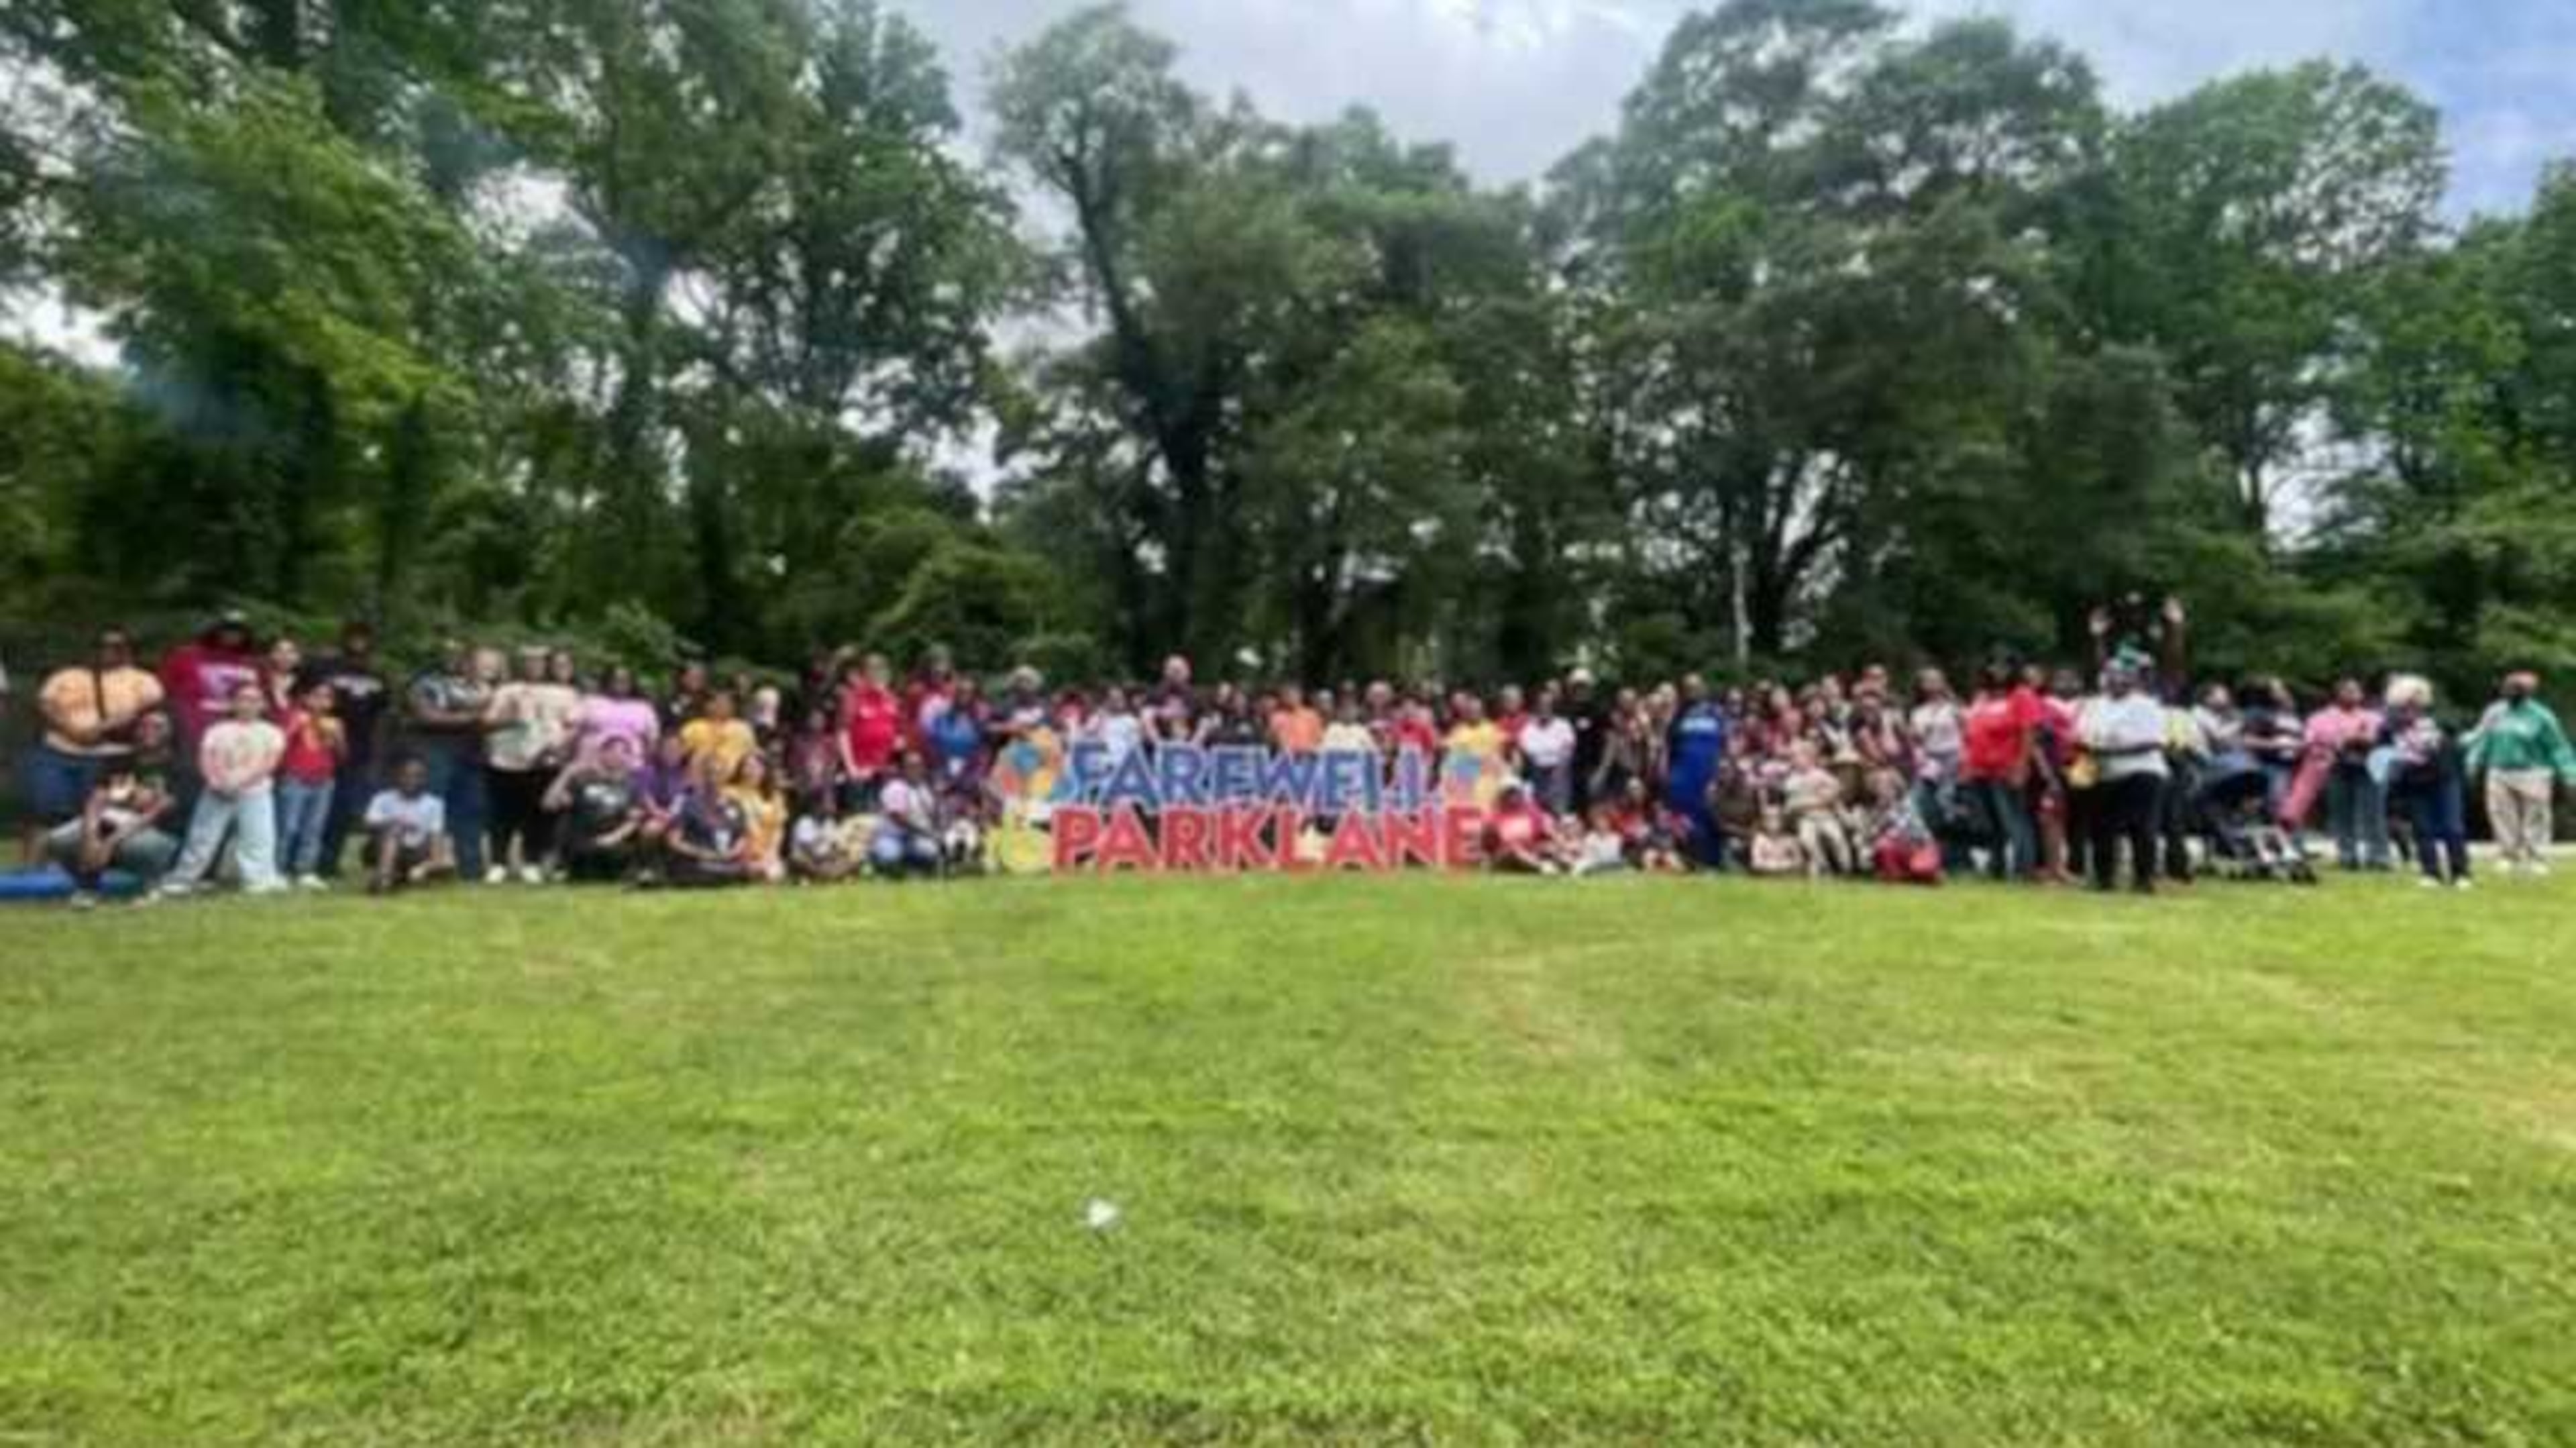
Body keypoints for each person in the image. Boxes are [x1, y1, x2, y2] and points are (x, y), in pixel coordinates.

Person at [26, 626, 164, 864]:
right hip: (58, 750)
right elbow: (46, 704)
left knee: (98, 814)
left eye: (116, 646)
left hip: (112, 755)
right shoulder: (66, 676)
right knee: (44, 809)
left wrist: (99, 730)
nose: (108, 651)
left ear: (127, 650)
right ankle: (32, 871)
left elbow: (142, 711)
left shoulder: (142, 679)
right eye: (102, 645)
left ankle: (87, 863)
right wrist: (72, 730)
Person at [160, 681, 288, 898]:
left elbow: (269, 763)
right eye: (243, 699)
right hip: (216, 791)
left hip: (255, 793)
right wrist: (215, 781)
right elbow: (206, 757)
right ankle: (184, 878)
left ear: (263, 704)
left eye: (254, 700)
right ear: (233, 703)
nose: (248, 705)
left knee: (258, 837)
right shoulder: (217, 730)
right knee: (202, 837)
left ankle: (258, 879)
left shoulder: (272, 732)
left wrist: (242, 784)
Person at [484, 648, 582, 884]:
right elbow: (488, 722)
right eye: (528, 663)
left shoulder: (565, 692)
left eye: (538, 663)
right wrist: (510, 715)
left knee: (537, 814)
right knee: (503, 814)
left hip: (545, 760)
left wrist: (555, 747)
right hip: (507, 760)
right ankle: (498, 863)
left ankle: (531, 862)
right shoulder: (507, 690)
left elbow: (573, 725)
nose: (534, 667)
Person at [306, 621, 393, 882]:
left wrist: (380, 749)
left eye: (364, 637)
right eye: (354, 636)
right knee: (319, 807)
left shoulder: (378, 674)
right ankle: (304, 861)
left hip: (361, 749)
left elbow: (384, 713)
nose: (359, 642)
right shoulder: (325, 668)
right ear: (344, 638)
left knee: (345, 809)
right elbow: (307, 699)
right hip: (324, 744)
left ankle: (329, 862)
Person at [2467, 670, 2576, 876]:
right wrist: (2473, 761)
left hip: (2533, 771)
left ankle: (2537, 857)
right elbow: (2482, 737)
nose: (2510, 693)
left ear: (2528, 693)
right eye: (2508, 688)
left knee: (2536, 816)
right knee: (2501, 814)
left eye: (2516, 690)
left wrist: (2570, 773)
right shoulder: (2495, 712)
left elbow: (2558, 746)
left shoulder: (2542, 716)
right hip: (2499, 770)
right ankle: (2508, 855)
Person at [405, 641, 496, 880]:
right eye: (447, 654)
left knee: (472, 810)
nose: (453, 659)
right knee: (432, 809)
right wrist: (472, 718)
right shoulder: (425, 683)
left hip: (471, 755)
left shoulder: (477, 687)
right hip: (437, 752)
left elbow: (491, 717)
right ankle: (423, 865)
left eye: (459, 655)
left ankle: (472, 869)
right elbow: (427, 716)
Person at [2078, 660, 2169, 895]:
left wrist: (2112, 750)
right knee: (2102, 827)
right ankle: (2104, 878)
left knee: (2142, 827)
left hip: (2142, 771)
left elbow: (2154, 741)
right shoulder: (2094, 705)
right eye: (2111, 675)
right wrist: (2089, 747)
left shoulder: (2147, 705)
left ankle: (2144, 879)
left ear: (2134, 679)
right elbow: (2083, 734)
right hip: (2104, 773)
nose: (2117, 680)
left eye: (2123, 676)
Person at [156, 609, 262, 804]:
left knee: (228, 787)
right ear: (216, 630)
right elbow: (163, 692)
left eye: (239, 631)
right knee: (188, 784)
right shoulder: (187, 655)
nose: (233, 635)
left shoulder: (253, 664)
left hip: (236, 738)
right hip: (191, 734)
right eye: (227, 630)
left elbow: (261, 701)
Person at [44, 757, 180, 908]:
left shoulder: (175, 766)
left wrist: (110, 843)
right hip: (109, 822)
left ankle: (152, 886)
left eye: (155, 731)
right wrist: (90, 838)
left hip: (151, 830)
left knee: (142, 847)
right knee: (60, 840)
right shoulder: (122, 759)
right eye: (144, 731)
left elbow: (154, 814)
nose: (148, 733)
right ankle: (87, 887)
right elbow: (95, 802)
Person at [2382, 675, 2471, 891]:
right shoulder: (2389, 728)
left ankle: (2460, 873)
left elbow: (2454, 746)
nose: (2411, 707)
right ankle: (2431, 872)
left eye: (2416, 701)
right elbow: (2383, 756)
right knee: (2423, 829)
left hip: (2445, 779)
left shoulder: (2440, 721)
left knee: (2453, 827)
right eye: (2406, 703)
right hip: (2414, 783)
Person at [1958, 662, 2045, 880]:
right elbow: (1971, 732)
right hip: (1979, 769)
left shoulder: (2022, 696)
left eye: (2004, 667)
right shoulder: (1983, 697)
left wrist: (2022, 765)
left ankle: (2023, 868)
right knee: (1989, 823)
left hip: (2007, 768)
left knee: (2014, 819)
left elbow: (2028, 733)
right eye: (1993, 667)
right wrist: (1967, 766)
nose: (1997, 672)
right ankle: (1996, 868)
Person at [2304, 677, 2390, 871]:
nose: (2354, 694)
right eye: (2348, 690)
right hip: (2337, 767)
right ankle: (2347, 855)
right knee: (2341, 813)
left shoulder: (2374, 717)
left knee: (2373, 813)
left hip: (2371, 768)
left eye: (2356, 690)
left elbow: (2386, 742)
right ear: (2337, 694)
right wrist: (2341, 741)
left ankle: (2379, 856)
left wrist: (2367, 741)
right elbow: (2310, 742)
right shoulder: (2320, 718)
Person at [274, 676, 345, 888]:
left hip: (324, 780)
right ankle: (279, 868)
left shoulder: (335, 723)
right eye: (316, 696)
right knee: (288, 826)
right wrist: (295, 727)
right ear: (305, 698)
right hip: (295, 778)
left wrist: (337, 738)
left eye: (327, 697)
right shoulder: (294, 717)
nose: (321, 701)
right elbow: (279, 744)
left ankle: (306, 869)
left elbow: (342, 756)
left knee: (314, 827)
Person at [543, 735, 645, 882]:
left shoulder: (631, 786)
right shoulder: (582, 780)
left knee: (613, 859)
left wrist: (614, 837)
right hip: (582, 839)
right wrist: (567, 774)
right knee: (585, 865)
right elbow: (549, 804)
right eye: (612, 751)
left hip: (613, 840)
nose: (617, 756)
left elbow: (633, 821)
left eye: (623, 752)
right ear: (602, 754)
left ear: (628, 758)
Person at [362, 756, 454, 894]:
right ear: (397, 777)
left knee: (448, 856)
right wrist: (394, 823)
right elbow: (368, 825)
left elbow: (436, 845)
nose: (411, 780)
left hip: (416, 852)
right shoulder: (382, 798)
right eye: (405, 775)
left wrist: (425, 867)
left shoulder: (435, 804)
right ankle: (385, 877)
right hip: (380, 847)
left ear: (425, 779)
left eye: (417, 776)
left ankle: (396, 876)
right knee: (394, 830)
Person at [1666, 676, 1729, 870]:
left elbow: (1725, 746)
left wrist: (1718, 776)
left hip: (1709, 775)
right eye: (1689, 688)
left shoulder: (1716, 713)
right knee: (1686, 821)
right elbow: (1670, 748)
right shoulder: (1678, 715)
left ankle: (1713, 862)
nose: (1693, 691)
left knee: (1710, 818)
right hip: (1684, 778)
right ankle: (1690, 862)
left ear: (1704, 689)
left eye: (1697, 687)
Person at [663, 754, 753, 888]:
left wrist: (733, 852)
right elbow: (674, 841)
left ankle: (725, 874)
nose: (714, 779)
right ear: (703, 776)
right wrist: (703, 853)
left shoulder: (734, 805)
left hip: (726, 859)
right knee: (703, 870)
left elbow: (743, 837)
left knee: (746, 869)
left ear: (725, 776)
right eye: (710, 773)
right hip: (699, 860)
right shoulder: (689, 804)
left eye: (718, 774)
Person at [837, 653, 903, 808]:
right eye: (872, 670)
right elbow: (842, 733)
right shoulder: (853, 697)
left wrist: (898, 745)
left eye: (881, 670)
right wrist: (850, 766)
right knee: (861, 821)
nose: (878, 674)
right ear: (864, 673)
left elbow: (897, 732)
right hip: (861, 771)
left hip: (885, 771)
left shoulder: (891, 699)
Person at [1781, 741, 1854, 878]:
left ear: (1810, 758)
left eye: (1799, 757)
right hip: (1806, 819)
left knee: (1836, 838)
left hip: (1825, 817)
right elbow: (1791, 804)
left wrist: (1826, 797)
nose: (1796, 761)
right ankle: (1824, 865)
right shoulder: (1792, 780)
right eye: (1793, 758)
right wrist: (1801, 805)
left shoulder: (1820, 774)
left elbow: (1837, 788)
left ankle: (1846, 868)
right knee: (1807, 840)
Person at [871, 751, 944, 878]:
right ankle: (876, 862)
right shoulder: (895, 787)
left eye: (919, 766)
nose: (916, 770)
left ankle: (911, 870)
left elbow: (932, 815)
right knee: (889, 857)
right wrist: (928, 833)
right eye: (911, 766)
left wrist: (938, 799)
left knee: (932, 851)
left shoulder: (924, 789)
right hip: (891, 837)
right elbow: (899, 819)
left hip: (913, 839)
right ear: (903, 770)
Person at [729, 752, 788, 884]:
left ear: (765, 771)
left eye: (755, 767)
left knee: (774, 874)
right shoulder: (732, 794)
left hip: (767, 851)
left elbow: (779, 829)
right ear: (740, 770)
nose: (751, 771)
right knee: (760, 872)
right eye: (747, 767)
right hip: (742, 851)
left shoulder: (775, 797)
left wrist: (772, 853)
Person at [1519, 689, 1578, 817]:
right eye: (1541, 705)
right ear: (1536, 707)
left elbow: (1568, 752)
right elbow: (1529, 756)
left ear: (1553, 707)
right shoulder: (1528, 729)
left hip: (1560, 776)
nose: (1544, 708)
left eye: (1548, 705)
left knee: (1560, 814)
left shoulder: (1564, 726)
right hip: (1538, 777)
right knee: (1540, 815)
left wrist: (1557, 774)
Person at [1481, 782, 1561, 876]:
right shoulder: (1494, 816)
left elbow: (1546, 832)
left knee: (1549, 847)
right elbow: (1487, 845)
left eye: (1515, 792)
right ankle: (1542, 867)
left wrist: (1556, 841)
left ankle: (1572, 865)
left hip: (1529, 851)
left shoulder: (1531, 811)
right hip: (1505, 856)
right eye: (1509, 793)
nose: (1513, 796)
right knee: (1514, 850)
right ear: (1502, 795)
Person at [678, 689, 759, 780]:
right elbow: (680, 754)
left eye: (726, 703)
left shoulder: (743, 729)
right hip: (701, 779)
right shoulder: (693, 727)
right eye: (717, 703)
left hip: (735, 782)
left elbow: (753, 754)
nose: (721, 707)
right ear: (708, 706)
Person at [788, 789, 865, 883]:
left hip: (826, 860)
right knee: (799, 860)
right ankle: (827, 876)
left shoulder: (829, 822)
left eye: (831, 802)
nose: (831, 806)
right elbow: (808, 849)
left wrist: (839, 853)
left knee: (853, 859)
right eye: (828, 803)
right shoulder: (805, 822)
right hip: (811, 860)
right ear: (816, 805)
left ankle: (823, 876)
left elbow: (834, 845)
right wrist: (823, 843)